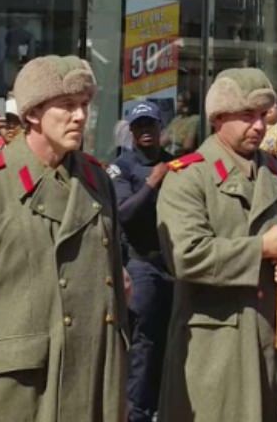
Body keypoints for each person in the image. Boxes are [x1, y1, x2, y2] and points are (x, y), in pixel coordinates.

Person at [0, 56, 128, 422]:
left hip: (95, 380)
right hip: (23, 393)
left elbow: (112, 282)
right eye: (67, 106)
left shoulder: (97, 181)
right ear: (34, 113)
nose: (80, 116)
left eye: (84, 105)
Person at [156, 68, 277, 422]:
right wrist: (260, 250)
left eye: (263, 116)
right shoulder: (188, 176)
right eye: (247, 116)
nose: (259, 126)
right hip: (220, 346)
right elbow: (187, 255)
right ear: (219, 119)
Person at [106, 100, 175, 422]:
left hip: (174, 266)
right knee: (143, 345)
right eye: (139, 126)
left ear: (160, 128)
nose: (145, 131)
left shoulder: (176, 164)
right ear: (131, 131)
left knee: (172, 341)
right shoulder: (122, 167)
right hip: (140, 264)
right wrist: (151, 183)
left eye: (150, 125)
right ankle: (137, 413)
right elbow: (123, 215)